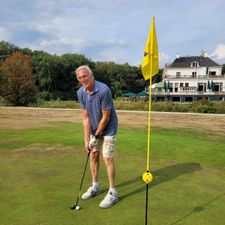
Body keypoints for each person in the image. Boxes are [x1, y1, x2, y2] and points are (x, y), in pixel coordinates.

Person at [75, 65, 119, 208]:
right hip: (95, 128)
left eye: (85, 76)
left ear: (91, 75)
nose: (83, 79)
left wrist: (96, 135)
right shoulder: (81, 93)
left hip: (109, 128)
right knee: (93, 154)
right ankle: (95, 186)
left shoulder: (104, 90)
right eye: (80, 77)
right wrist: (87, 139)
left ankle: (113, 193)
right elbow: (86, 117)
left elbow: (106, 117)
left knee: (107, 157)